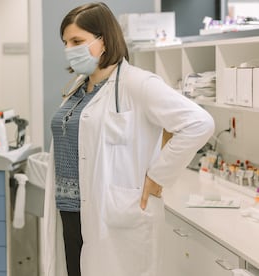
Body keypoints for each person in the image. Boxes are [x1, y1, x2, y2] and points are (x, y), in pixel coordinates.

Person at [44, 3, 215, 276]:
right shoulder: (79, 86)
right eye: (65, 42)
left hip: (113, 214)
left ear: (104, 40)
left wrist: (158, 175)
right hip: (70, 210)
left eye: (77, 41)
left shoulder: (138, 84)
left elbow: (199, 123)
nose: (69, 49)